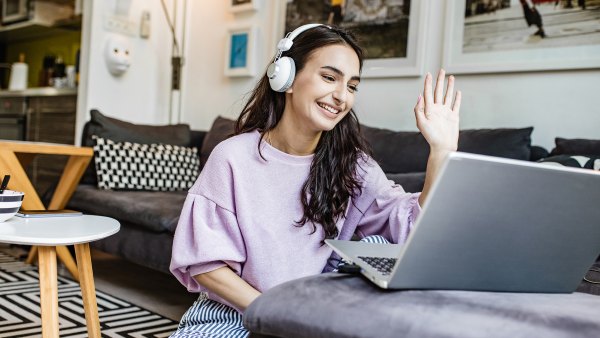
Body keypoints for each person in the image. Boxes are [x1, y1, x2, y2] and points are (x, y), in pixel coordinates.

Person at [169, 24, 461, 337]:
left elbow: (411, 229)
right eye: (329, 77)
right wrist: (275, 313)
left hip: (310, 309)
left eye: (352, 86)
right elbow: (206, 266)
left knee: (376, 243)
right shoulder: (232, 158)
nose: (341, 96)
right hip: (235, 309)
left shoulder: (354, 166)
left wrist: (441, 151)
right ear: (286, 77)